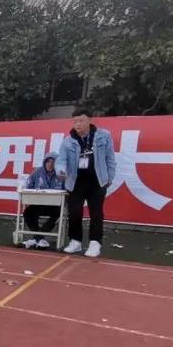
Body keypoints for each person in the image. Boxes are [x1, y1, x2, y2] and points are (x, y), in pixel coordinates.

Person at [56, 109, 117, 258]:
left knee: (96, 213)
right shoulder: (68, 141)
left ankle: (95, 243)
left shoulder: (103, 136)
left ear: (90, 120)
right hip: (75, 182)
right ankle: (75, 241)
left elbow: (110, 158)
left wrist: (110, 177)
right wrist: (60, 171)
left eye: (81, 120)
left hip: (97, 180)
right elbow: (61, 160)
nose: (78, 124)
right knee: (74, 212)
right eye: (75, 121)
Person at [20, 151, 65, 249]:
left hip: (54, 205)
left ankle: (36, 239)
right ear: (44, 162)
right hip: (39, 203)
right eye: (48, 161)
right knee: (28, 212)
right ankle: (39, 239)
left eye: (53, 162)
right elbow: (28, 186)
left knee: (57, 214)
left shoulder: (61, 174)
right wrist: (27, 199)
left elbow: (66, 189)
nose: (50, 164)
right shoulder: (37, 172)